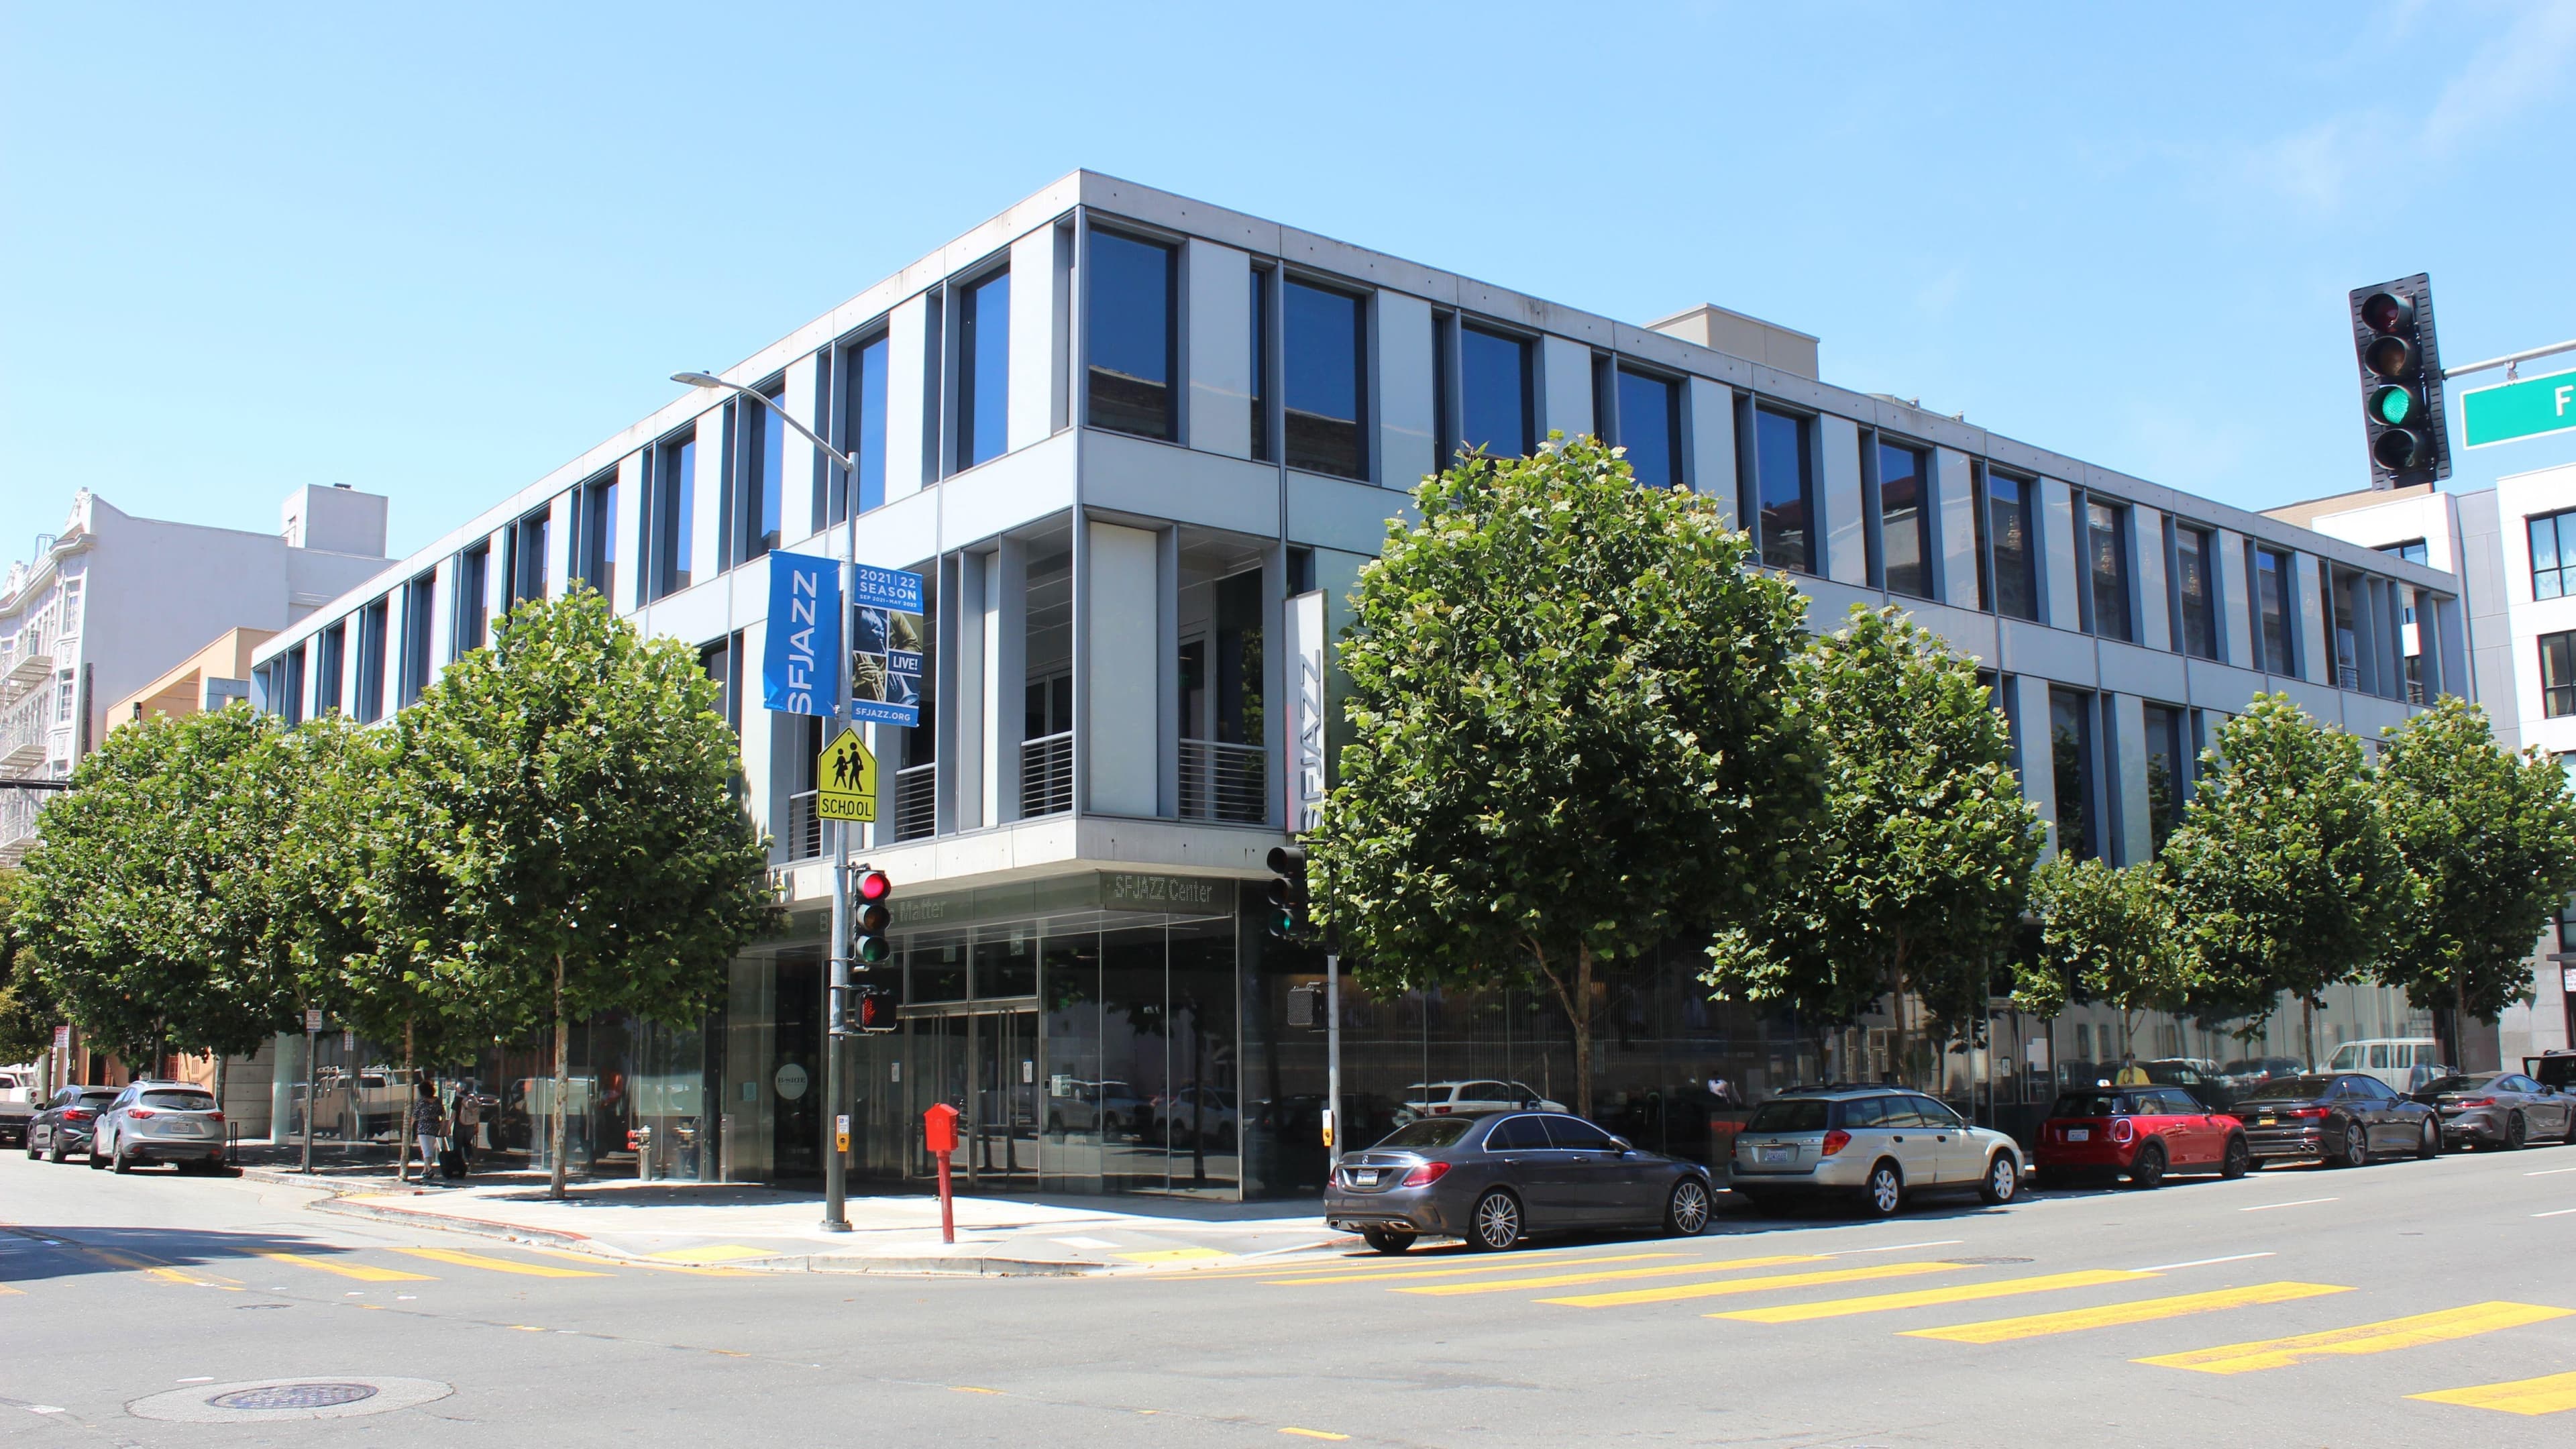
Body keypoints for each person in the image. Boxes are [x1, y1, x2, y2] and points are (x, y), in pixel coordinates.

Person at [405, 1083, 445, 1184]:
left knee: (426, 1150)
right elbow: (443, 1114)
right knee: (429, 1150)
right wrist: (443, 1127)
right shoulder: (437, 1101)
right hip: (434, 1127)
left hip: (423, 1127)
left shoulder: (421, 1102)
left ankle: (430, 1170)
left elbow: (414, 1116)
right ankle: (425, 1170)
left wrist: (409, 1127)